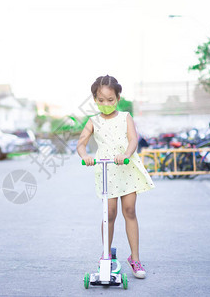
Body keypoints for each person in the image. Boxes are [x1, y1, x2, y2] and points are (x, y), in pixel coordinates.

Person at [76, 75, 155, 279]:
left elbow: (133, 139)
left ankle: (135, 258)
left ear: (118, 98)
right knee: (108, 213)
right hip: (106, 169)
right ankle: (106, 256)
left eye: (110, 100)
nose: (106, 104)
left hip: (125, 166)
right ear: (95, 99)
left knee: (129, 210)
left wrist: (126, 155)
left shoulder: (125, 117)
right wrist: (86, 157)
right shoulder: (93, 121)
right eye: (101, 100)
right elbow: (81, 144)